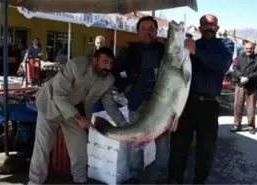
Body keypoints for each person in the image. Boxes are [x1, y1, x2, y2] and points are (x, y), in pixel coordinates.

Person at [28, 47, 128, 185]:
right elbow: (58, 94)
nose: (108, 67)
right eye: (105, 62)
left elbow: (110, 105)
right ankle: (34, 182)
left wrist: (124, 126)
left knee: (80, 148)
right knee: (43, 147)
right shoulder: (76, 66)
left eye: (111, 63)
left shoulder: (108, 80)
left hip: (75, 111)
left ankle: (79, 180)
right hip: (50, 105)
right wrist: (79, 118)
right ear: (94, 60)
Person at [168, 14, 235, 185]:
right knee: (178, 147)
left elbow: (222, 65)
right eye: (205, 24)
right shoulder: (192, 45)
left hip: (209, 106)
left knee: (206, 150)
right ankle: (175, 179)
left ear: (217, 27)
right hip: (187, 103)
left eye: (212, 24)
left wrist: (196, 52)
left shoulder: (225, 45)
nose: (209, 27)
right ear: (199, 28)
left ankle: (199, 181)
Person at [112, 16, 167, 185]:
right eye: (143, 28)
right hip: (137, 102)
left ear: (156, 31)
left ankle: (161, 178)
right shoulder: (129, 50)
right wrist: (124, 86)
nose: (147, 32)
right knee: (136, 141)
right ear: (138, 31)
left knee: (163, 143)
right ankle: (134, 176)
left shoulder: (164, 50)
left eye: (151, 28)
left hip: (161, 105)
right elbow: (113, 70)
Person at [230, 42, 257, 135]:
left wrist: (248, 78)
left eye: (250, 48)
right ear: (244, 48)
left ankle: (251, 126)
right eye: (246, 48)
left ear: (254, 48)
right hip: (240, 85)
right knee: (237, 106)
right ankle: (237, 125)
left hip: (252, 87)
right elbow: (235, 69)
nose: (248, 50)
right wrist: (240, 76)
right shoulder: (239, 58)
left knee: (251, 108)